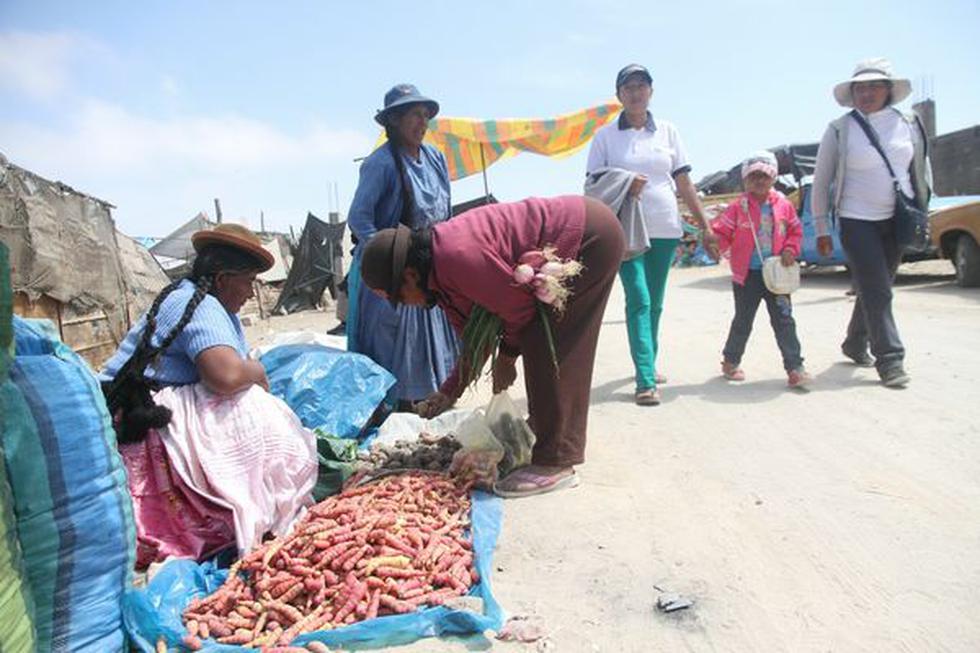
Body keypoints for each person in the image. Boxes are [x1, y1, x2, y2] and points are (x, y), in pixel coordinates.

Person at [359, 196, 625, 497]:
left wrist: (507, 358)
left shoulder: (455, 256)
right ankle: (543, 434)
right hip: (586, 229)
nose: (406, 305)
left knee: (547, 341)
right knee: (538, 335)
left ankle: (556, 462)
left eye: (399, 298)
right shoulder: (439, 280)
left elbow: (519, 310)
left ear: (409, 275)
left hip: (588, 236)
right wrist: (449, 390)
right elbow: (476, 338)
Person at [100, 224, 317, 568]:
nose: (249, 292)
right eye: (247, 281)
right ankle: (237, 508)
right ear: (221, 280)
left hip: (133, 411)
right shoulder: (201, 305)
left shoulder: (193, 297)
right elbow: (225, 376)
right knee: (250, 405)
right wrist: (258, 373)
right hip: (136, 420)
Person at [586, 64, 719, 406]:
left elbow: (685, 183)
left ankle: (647, 362)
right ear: (619, 95)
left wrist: (705, 227)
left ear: (651, 91)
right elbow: (592, 185)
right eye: (628, 87)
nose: (635, 92)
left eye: (641, 85)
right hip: (624, 233)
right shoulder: (604, 137)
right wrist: (626, 180)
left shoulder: (669, 132)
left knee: (655, 304)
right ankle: (645, 380)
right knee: (639, 299)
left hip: (665, 229)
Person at [811, 58, 931, 387]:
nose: (866, 93)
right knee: (878, 288)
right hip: (856, 218)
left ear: (889, 90)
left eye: (874, 86)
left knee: (876, 286)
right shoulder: (840, 128)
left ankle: (854, 341)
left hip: (897, 217)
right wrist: (822, 228)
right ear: (852, 93)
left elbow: (921, 169)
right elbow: (821, 183)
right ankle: (890, 359)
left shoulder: (909, 123)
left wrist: (923, 206)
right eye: (860, 88)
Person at [346, 84, 459, 409]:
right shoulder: (379, 164)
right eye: (414, 115)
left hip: (429, 267)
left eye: (425, 116)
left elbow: (446, 212)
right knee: (395, 350)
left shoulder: (435, 158)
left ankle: (434, 403)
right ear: (394, 120)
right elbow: (359, 218)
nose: (422, 123)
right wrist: (389, 256)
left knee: (436, 344)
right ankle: (397, 411)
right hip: (391, 274)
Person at [710, 152, 810, 388]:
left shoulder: (784, 205)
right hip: (747, 276)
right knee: (743, 320)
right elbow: (722, 232)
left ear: (773, 178)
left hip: (777, 275)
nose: (758, 180)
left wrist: (790, 249)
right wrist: (713, 242)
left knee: (784, 320)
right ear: (745, 179)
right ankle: (730, 361)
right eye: (753, 176)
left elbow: (795, 231)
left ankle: (795, 368)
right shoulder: (738, 208)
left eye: (763, 176)